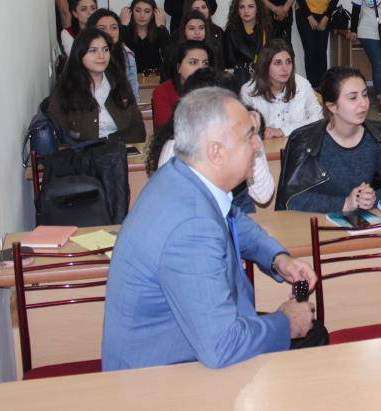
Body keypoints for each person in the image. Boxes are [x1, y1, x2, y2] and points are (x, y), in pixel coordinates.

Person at [102, 87, 327, 371]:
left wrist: (277, 258)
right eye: (249, 137)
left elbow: (233, 218)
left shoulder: (179, 175)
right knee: (309, 338)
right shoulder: (191, 228)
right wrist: (287, 322)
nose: (257, 145)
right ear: (216, 152)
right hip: (163, 374)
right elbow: (222, 346)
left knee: (311, 334)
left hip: (184, 340)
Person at [276, 66, 381, 212]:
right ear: (332, 106)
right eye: (353, 98)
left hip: (361, 223)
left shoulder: (376, 135)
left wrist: (373, 198)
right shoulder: (306, 141)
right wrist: (345, 203)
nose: (363, 103)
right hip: (318, 224)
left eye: (365, 94)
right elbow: (293, 198)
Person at [146, 69, 275, 214]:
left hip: (238, 215)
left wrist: (251, 137)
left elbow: (263, 195)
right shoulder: (175, 148)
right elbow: (172, 209)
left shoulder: (243, 137)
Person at [47, 28, 146, 144]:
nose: (101, 56)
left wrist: (110, 143)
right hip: (81, 157)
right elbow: (58, 137)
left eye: (105, 50)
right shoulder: (64, 90)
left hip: (118, 153)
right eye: (93, 51)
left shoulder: (120, 83)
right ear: (79, 54)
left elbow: (138, 130)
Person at [240, 39, 323, 139]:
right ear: (265, 65)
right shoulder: (248, 91)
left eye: (288, 62)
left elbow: (318, 120)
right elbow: (243, 129)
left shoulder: (302, 84)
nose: (285, 69)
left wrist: (283, 131)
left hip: (298, 147)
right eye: (277, 63)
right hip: (263, 150)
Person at [152, 41, 212, 129]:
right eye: (193, 62)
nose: (201, 68)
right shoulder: (163, 91)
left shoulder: (214, 90)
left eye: (205, 63)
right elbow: (167, 128)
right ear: (178, 67)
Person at [88, 8, 140, 103]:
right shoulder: (85, 56)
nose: (109, 32)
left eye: (114, 27)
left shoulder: (127, 56)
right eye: (102, 28)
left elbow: (134, 94)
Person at [224, 0, 271, 84]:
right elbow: (229, 62)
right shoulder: (230, 31)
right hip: (239, 79)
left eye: (250, 6)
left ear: (257, 9)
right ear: (237, 10)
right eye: (242, 7)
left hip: (264, 79)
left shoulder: (267, 29)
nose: (246, 11)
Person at [162, 10, 217, 81]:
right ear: (184, 30)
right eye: (192, 28)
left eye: (201, 28)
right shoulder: (172, 51)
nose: (197, 32)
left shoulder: (212, 50)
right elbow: (165, 79)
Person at [122, 0, 171, 74]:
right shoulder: (126, 31)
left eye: (147, 11)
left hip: (154, 80)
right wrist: (123, 26)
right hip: (129, 80)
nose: (142, 15)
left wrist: (162, 27)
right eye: (137, 11)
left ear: (153, 14)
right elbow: (116, 52)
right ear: (131, 12)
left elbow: (169, 55)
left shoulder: (158, 32)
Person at [182, 0, 225, 66]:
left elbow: (222, 62)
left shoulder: (218, 31)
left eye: (204, 7)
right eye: (196, 9)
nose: (202, 11)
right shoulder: (177, 34)